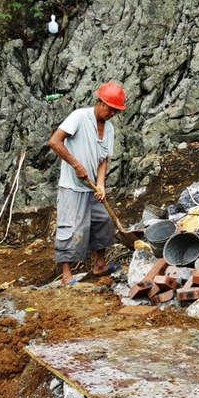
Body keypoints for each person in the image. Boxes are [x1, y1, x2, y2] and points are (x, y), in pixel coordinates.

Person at [48, 82, 127, 286]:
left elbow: (103, 159)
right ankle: (67, 277)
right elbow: (55, 141)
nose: (112, 114)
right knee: (71, 228)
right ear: (100, 102)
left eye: (116, 111)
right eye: (111, 109)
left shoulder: (109, 129)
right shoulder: (79, 117)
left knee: (102, 223)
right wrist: (75, 164)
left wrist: (101, 184)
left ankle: (99, 265)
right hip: (72, 186)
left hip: (92, 188)